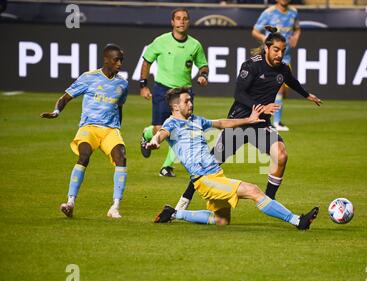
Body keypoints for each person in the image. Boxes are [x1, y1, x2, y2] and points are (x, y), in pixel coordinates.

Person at [174, 27, 321, 212]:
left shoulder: (283, 69)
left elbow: (291, 81)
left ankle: (269, 201)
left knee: (281, 155)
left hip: (260, 126)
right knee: (210, 163)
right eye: (276, 49)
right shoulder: (251, 65)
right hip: (239, 122)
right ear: (267, 48)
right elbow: (239, 93)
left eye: (283, 51)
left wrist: (307, 95)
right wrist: (261, 108)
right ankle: (186, 197)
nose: (280, 54)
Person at [147, 87, 319, 230]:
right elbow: (162, 134)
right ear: (176, 107)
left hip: (216, 175)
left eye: (191, 100)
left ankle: (174, 213)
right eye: (186, 101)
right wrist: (154, 141)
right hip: (204, 180)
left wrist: (248, 120)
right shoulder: (172, 123)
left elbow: (222, 123)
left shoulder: (195, 120)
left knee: (221, 220)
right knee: (254, 190)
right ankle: (298, 221)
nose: (191, 103)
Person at [40, 44, 129, 219]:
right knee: (84, 156)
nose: (119, 63)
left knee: (121, 158)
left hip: (110, 130)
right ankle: (70, 202)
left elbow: (119, 106)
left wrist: (118, 127)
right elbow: (66, 97)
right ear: (106, 60)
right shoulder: (89, 78)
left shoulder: (122, 84)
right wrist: (56, 112)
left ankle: (115, 207)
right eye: (116, 60)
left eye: (121, 60)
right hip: (89, 127)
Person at [139, 8, 209, 177]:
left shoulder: (195, 45)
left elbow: (203, 65)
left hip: (184, 92)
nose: (181, 21)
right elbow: (147, 61)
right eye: (178, 18)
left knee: (181, 130)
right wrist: (143, 85)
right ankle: (147, 133)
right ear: (172, 22)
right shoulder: (160, 41)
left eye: (185, 18)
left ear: (188, 22)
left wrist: (203, 75)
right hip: (162, 89)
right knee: (159, 128)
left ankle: (167, 167)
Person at [252, 0, 301, 131]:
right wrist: (267, 41)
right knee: (276, 87)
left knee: (281, 90)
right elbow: (255, 31)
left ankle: (273, 121)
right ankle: (274, 122)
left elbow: (297, 28)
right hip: (271, 57)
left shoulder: (294, 12)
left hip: (286, 56)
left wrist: (296, 36)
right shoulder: (269, 13)